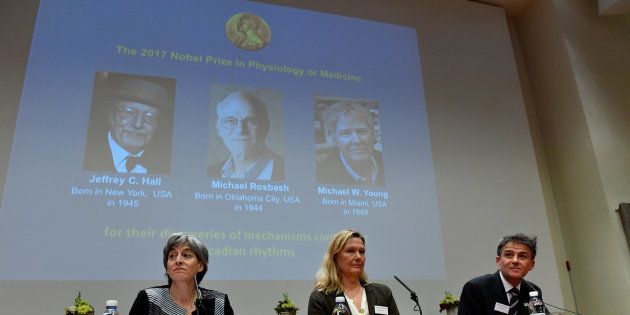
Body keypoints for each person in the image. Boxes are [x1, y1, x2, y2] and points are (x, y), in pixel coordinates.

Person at [83, 73, 173, 174]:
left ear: (159, 125)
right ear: (112, 116)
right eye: (129, 112)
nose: (138, 124)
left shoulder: (166, 165)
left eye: (150, 117)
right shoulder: (85, 155)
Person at [129, 233, 234, 315]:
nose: (178, 260)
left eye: (186, 255)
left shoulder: (219, 302)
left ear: (200, 266)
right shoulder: (149, 299)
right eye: (172, 256)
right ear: (167, 268)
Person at [308, 229, 399, 315]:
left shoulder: (383, 293)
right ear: (335, 257)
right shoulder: (321, 298)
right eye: (350, 251)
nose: (358, 256)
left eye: (362, 251)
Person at [458, 233, 547, 315]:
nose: (515, 261)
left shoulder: (532, 290)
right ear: (498, 261)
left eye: (522, 256)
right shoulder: (476, 288)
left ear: (532, 265)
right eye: (509, 255)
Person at [208, 91, 285, 180]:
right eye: (230, 121)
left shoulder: (287, 170)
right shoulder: (210, 171)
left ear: (265, 127)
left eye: (250, 121)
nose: (240, 131)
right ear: (218, 128)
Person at [316, 102, 384, 186]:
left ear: (373, 134)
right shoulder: (322, 175)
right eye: (345, 133)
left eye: (362, 131)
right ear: (334, 139)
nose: (357, 140)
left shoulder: (386, 161)